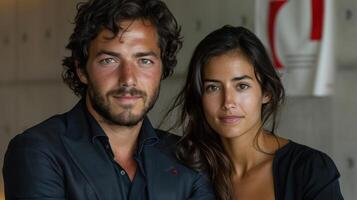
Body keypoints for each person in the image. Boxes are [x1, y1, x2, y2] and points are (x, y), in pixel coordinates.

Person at [2, 0, 215, 199]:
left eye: (145, 61)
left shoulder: (188, 157)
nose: (128, 79)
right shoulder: (38, 151)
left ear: (163, 69)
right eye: (109, 60)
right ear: (81, 69)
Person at [169, 25, 344, 200]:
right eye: (213, 87)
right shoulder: (184, 171)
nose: (228, 102)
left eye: (242, 86)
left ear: (266, 92)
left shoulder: (309, 170)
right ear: (200, 96)